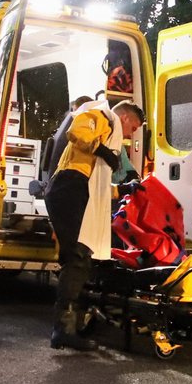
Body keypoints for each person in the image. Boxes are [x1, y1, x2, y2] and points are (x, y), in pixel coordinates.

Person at [43, 98, 145, 350]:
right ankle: (63, 329)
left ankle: (70, 326)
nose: (130, 135)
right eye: (133, 129)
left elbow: (95, 184)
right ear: (125, 118)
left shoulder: (108, 130)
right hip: (69, 186)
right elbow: (76, 131)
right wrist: (101, 150)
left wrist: (122, 188)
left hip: (76, 188)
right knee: (78, 256)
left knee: (82, 256)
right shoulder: (101, 115)